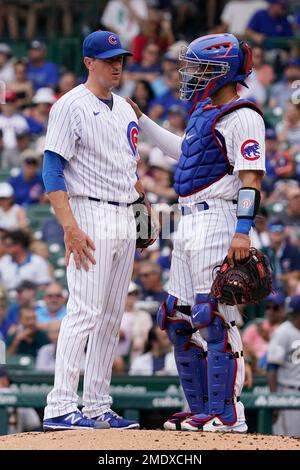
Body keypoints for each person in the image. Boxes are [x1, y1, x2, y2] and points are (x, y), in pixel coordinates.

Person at [127, 33, 266, 433]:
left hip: (219, 218)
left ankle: (228, 414)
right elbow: (186, 153)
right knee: (177, 318)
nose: (190, 74)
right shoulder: (206, 111)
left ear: (222, 71)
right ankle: (201, 409)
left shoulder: (243, 114)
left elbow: (251, 179)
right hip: (187, 219)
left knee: (214, 315)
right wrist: (143, 120)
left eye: (199, 68)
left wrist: (243, 232)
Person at [41, 30, 155, 431]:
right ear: (89, 62)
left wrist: (143, 212)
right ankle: (59, 405)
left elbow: (128, 171)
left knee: (110, 317)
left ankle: (96, 405)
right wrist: (69, 227)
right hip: (87, 213)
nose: (117, 64)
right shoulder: (69, 105)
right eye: (108, 58)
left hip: (124, 213)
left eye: (120, 57)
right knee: (85, 312)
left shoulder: (125, 107)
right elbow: (52, 169)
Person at [267, 295, 300, 437]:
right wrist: (275, 400)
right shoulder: (283, 332)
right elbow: (272, 368)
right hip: (288, 395)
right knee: (290, 440)